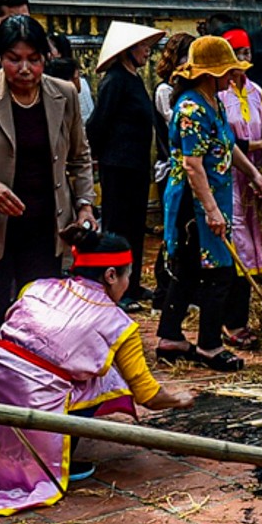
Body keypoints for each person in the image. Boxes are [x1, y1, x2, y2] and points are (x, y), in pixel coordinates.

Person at [0, 231, 192, 513]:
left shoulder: (37, 286)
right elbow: (148, 395)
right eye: (128, 276)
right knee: (108, 378)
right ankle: (59, 449)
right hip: (32, 404)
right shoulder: (120, 324)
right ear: (111, 275)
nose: (128, 284)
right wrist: (178, 399)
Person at [0, 14, 97, 349]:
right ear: (0, 59)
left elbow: (80, 158)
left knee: (42, 317)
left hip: (47, 226)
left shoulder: (63, 94)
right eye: (14, 60)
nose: (25, 69)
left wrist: (85, 206)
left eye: (34, 60)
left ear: (45, 58)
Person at [157, 36, 262, 371]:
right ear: (211, 74)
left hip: (211, 196)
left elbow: (227, 144)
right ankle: (209, 344)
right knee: (218, 272)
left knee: (189, 270)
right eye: (228, 71)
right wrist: (211, 210)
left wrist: (251, 173)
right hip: (194, 202)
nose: (233, 77)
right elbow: (193, 164)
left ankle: (170, 337)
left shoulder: (214, 102)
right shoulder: (191, 107)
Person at [87, 20, 165, 308]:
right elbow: (99, 122)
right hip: (118, 165)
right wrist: (93, 158)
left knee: (134, 225)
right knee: (117, 226)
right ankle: (113, 287)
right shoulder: (115, 80)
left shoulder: (132, 78)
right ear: (127, 51)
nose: (147, 52)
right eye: (143, 47)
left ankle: (130, 283)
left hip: (135, 165)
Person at [219, 27, 262, 324]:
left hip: (257, 173)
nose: (244, 59)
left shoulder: (258, 92)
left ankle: (257, 301)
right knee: (238, 232)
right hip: (231, 173)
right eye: (237, 54)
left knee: (260, 228)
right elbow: (224, 142)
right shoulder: (218, 95)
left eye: (246, 53)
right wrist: (259, 145)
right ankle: (234, 315)